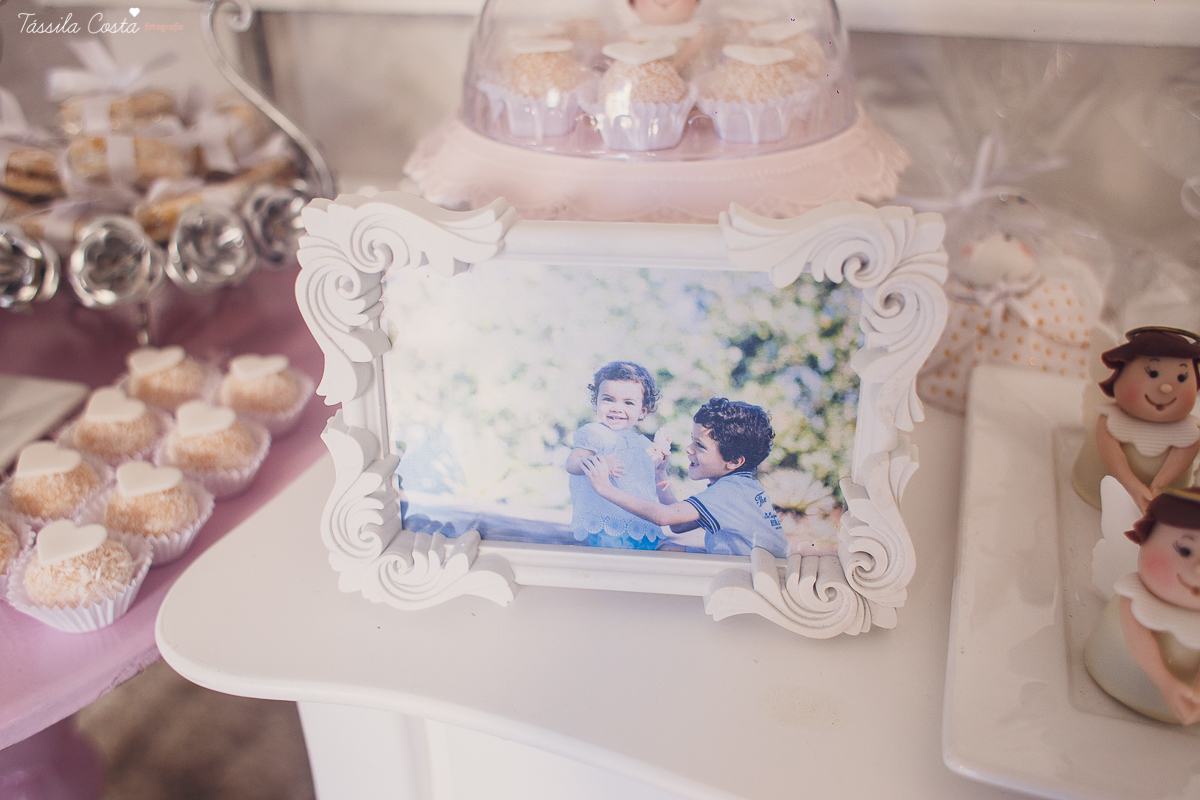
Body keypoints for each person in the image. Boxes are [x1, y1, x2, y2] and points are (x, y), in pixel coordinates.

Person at [582, 397, 789, 558]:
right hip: (747, 567)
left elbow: (664, 516)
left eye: (700, 445)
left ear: (734, 461)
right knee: (666, 550)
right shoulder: (741, 487)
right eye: (692, 440)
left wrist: (605, 489)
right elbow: (678, 525)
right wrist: (659, 473)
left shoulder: (732, 491)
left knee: (662, 553)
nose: (689, 449)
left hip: (755, 577)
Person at [1085, 487, 1200, 725]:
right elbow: (1137, 639)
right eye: (1185, 550)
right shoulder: (1135, 597)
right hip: (1110, 679)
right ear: (1146, 537)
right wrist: (1167, 684)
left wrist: (1195, 695)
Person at [1073, 327, 1200, 511]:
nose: (1166, 388)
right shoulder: (1110, 421)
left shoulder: (1190, 433)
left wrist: (1157, 487)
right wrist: (1133, 486)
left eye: (1182, 377)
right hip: (1094, 502)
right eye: (1153, 373)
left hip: (1169, 514)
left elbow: (1183, 456)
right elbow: (1113, 457)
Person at [565, 362, 666, 550]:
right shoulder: (595, 433)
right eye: (608, 400)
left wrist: (658, 459)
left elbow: (644, 478)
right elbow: (571, 463)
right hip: (608, 520)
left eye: (628, 403)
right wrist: (597, 462)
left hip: (641, 520)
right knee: (614, 566)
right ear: (596, 402)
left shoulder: (642, 442)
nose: (616, 408)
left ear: (642, 410)